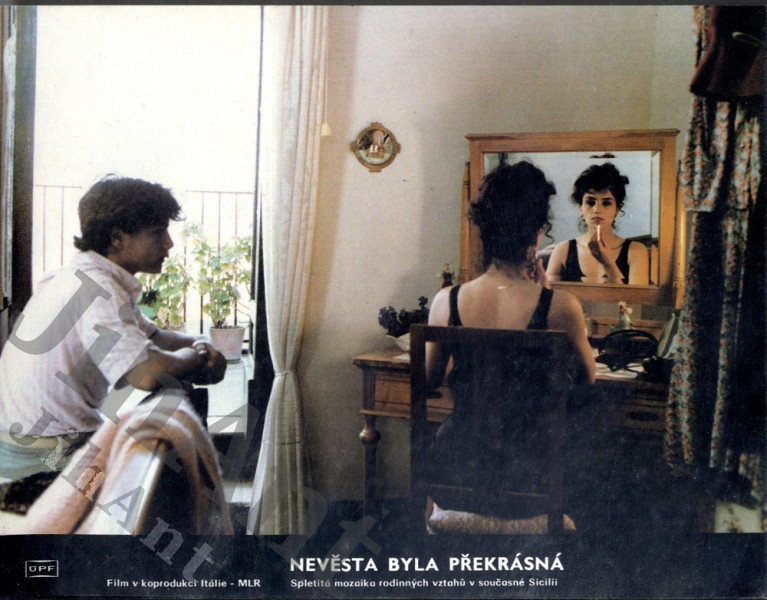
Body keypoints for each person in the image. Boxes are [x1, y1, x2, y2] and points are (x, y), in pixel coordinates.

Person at [0, 175, 227, 494]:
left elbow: (155, 337)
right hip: (41, 456)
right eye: (158, 232)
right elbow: (142, 374)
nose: (169, 244)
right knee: (149, 490)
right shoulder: (97, 288)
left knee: (159, 445)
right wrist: (196, 357)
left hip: (32, 445)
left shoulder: (88, 276)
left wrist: (201, 343)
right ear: (118, 237)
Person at [424, 161, 596, 502]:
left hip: (458, 478)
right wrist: (546, 294)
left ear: (484, 232)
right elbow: (586, 379)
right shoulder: (561, 308)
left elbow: (429, 380)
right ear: (536, 233)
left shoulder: (446, 301)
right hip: (532, 481)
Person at [545, 163, 650, 285]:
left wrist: (608, 263)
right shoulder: (563, 250)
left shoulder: (636, 251)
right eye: (590, 202)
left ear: (617, 209)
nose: (597, 210)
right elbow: (547, 294)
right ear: (580, 208)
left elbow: (635, 297)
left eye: (606, 203)